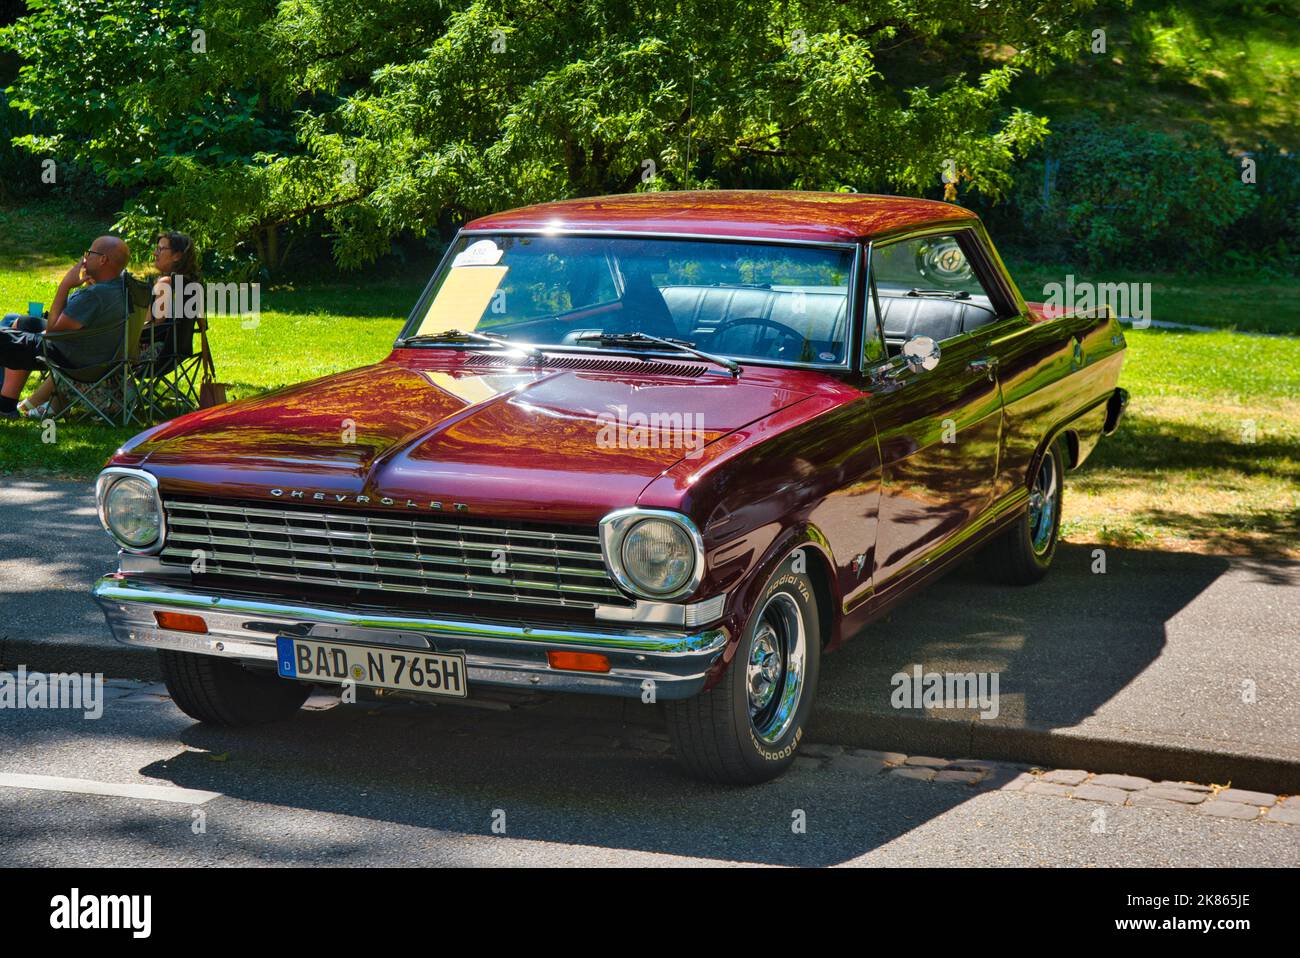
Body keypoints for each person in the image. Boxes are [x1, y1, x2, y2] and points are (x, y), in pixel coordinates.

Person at [0, 236, 131, 419]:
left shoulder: (96, 295)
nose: (84, 259)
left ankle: (6, 406)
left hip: (71, 358)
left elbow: (53, 329)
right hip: (96, 357)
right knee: (22, 328)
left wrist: (65, 285)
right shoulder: (123, 287)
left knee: (5, 339)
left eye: (89, 253)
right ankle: (5, 405)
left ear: (103, 259)